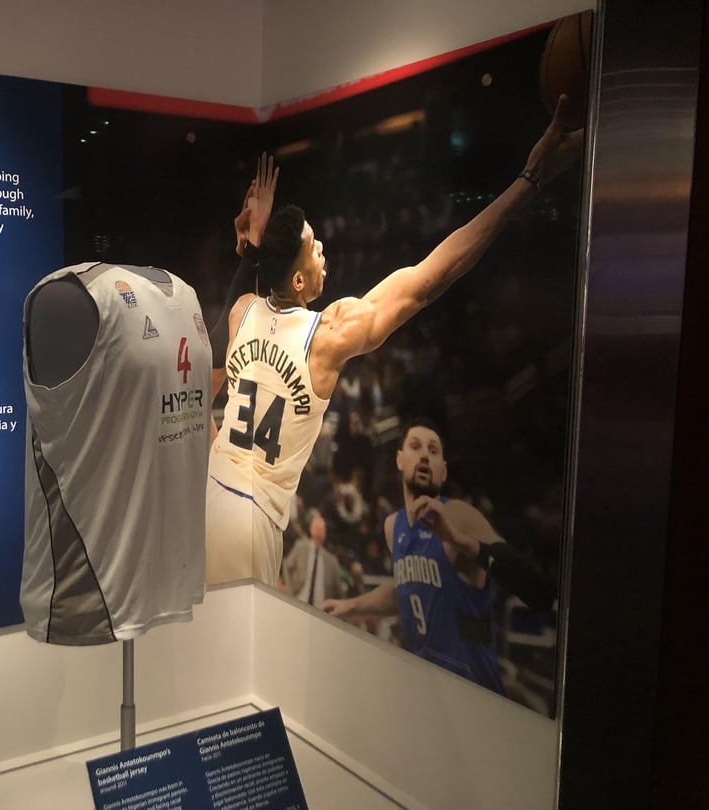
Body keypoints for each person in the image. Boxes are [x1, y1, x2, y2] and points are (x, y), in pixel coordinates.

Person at [204, 97, 582, 586]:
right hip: (254, 520)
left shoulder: (241, 312)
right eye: (313, 247)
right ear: (297, 281)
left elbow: (209, 372)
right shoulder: (328, 334)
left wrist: (253, 247)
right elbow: (430, 278)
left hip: (211, 493)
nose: (322, 249)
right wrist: (530, 180)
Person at [321, 418, 556, 694]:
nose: (424, 455)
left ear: (443, 471)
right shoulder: (393, 526)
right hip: (428, 687)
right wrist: (350, 606)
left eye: (433, 450)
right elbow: (406, 589)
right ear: (399, 459)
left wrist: (460, 540)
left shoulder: (458, 515)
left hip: (473, 691)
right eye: (416, 446)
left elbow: (539, 591)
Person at [280, 510, 343, 607]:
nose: (318, 532)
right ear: (311, 529)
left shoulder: (332, 561)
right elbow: (287, 565)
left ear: (325, 533)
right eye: (316, 528)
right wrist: (289, 586)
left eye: (321, 529)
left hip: (320, 607)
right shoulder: (300, 547)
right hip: (299, 598)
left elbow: (339, 590)